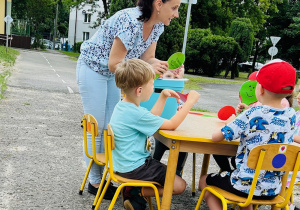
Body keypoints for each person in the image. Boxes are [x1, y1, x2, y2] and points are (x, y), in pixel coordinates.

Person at [76, 0, 182, 198]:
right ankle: (96, 182)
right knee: (98, 127)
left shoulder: (157, 25)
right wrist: (147, 69)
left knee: (111, 127)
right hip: (93, 67)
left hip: (113, 72)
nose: (176, 14)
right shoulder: (130, 21)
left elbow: (147, 58)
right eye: (174, 8)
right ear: (158, 4)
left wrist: (160, 65)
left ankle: (107, 176)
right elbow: (114, 63)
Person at [199, 59, 296, 210]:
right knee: (245, 189)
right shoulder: (291, 115)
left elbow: (216, 137)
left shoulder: (252, 113)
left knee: (205, 181)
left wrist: (230, 121)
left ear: (261, 89)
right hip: (273, 190)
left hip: (244, 185)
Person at [110, 59, 200, 209]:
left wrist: (163, 96)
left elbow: (152, 117)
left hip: (122, 165)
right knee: (179, 185)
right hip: (136, 168)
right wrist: (189, 102)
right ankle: (136, 192)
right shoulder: (136, 114)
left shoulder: (123, 107)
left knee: (168, 173)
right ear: (139, 90)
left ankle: (134, 190)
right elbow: (172, 125)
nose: (153, 87)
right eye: (152, 85)